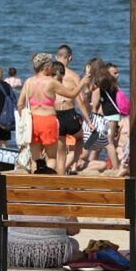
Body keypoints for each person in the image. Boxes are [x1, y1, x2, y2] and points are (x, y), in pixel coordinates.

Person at [17, 53, 91, 173]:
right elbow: (72, 94)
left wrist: (24, 119)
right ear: (46, 67)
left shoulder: (28, 82)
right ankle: (48, 184)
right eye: (51, 65)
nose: (52, 68)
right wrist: (82, 83)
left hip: (32, 122)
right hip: (48, 121)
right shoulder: (51, 82)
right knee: (51, 157)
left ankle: (37, 185)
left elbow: (20, 104)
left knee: (36, 159)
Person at [54, 45, 92, 175]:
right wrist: (88, 121)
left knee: (59, 151)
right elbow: (80, 102)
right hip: (69, 114)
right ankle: (68, 167)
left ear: (56, 57)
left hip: (54, 115)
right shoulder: (74, 76)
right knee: (80, 138)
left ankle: (59, 174)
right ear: (70, 58)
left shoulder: (48, 74)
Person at [90, 59, 123, 171]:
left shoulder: (102, 84)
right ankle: (91, 165)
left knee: (108, 142)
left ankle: (116, 168)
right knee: (99, 143)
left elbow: (95, 103)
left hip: (109, 115)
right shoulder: (111, 83)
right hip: (112, 115)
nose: (117, 75)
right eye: (115, 73)